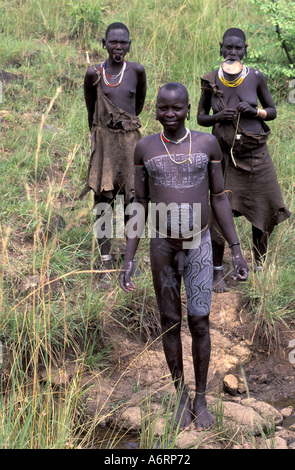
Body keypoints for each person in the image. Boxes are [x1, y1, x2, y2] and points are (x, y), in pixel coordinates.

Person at [119, 83, 248, 431]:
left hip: (200, 244)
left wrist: (236, 250)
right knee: (169, 321)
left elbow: (219, 198)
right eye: (164, 108)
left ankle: (202, 398)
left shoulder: (207, 144)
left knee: (200, 321)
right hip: (162, 244)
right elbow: (140, 204)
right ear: (156, 110)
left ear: (189, 109)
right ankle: (180, 396)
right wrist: (129, 257)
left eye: (177, 108)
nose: (170, 114)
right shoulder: (145, 148)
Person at [197, 28, 291, 292]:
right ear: (221, 48)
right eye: (228, 47)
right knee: (218, 212)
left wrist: (255, 111)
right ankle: (217, 272)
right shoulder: (211, 79)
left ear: (245, 49)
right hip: (224, 157)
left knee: (263, 207)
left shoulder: (256, 77)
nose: (233, 53)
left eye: (238, 48)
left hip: (256, 156)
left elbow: (272, 111)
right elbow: (200, 117)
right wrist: (219, 117)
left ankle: (259, 270)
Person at [81, 22, 147, 280]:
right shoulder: (93, 73)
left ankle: (128, 258)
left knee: (133, 200)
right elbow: (91, 111)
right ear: (104, 43)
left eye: (123, 42)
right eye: (113, 42)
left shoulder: (136, 71)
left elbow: (137, 105)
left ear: (130, 45)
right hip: (105, 143)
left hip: (130, 141)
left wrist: (124, 127)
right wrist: (101, 139)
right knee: (103, 199)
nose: (118, 47)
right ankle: (105, 259)